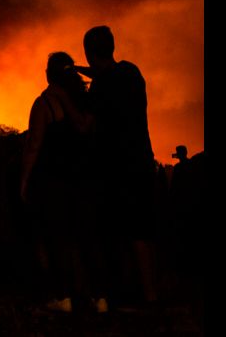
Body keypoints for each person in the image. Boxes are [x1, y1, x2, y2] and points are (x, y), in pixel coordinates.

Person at [70, 25, 158, 307]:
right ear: (112, 46)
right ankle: (150, 295)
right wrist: (84, 70)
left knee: (114, 232)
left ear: (89, 52)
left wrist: (65, 98)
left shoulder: (100, 88)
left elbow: (85, 126)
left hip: (115, 168)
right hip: (142, 161)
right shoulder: (132, 73)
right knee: (142, 231)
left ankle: (120, 294)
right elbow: (109, 74)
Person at [20, 52, 107, 314]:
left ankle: (63, 296)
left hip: (55, 180)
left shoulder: (44, 103)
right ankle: (100, 298)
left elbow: (34, 145)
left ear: (48, 74)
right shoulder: (86, 99)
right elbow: (88, 130)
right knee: (89, 237)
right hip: (86, 178)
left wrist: (24, 180)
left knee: (57, 236)